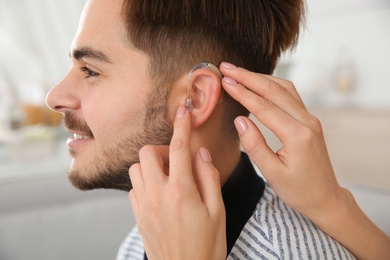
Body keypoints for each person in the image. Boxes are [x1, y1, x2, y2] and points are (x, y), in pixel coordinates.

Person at [45, 0, 390, 259]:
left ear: (195, 97)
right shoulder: (151, 231)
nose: (54, 97)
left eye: (90, 70)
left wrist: (332, 204)